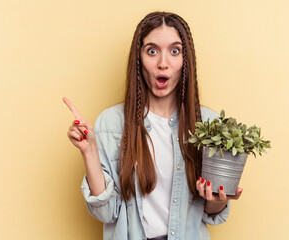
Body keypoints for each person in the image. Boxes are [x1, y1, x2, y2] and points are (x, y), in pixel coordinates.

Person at [63, 11, 243, 240]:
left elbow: (210, 213)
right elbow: (106, 213)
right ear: (138, 58)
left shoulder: (208, 125)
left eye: (175, 51)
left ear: (185, 60)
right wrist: (89, 151)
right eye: (152, 51)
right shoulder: (111, 124)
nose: (163, 63)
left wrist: (219, 199)